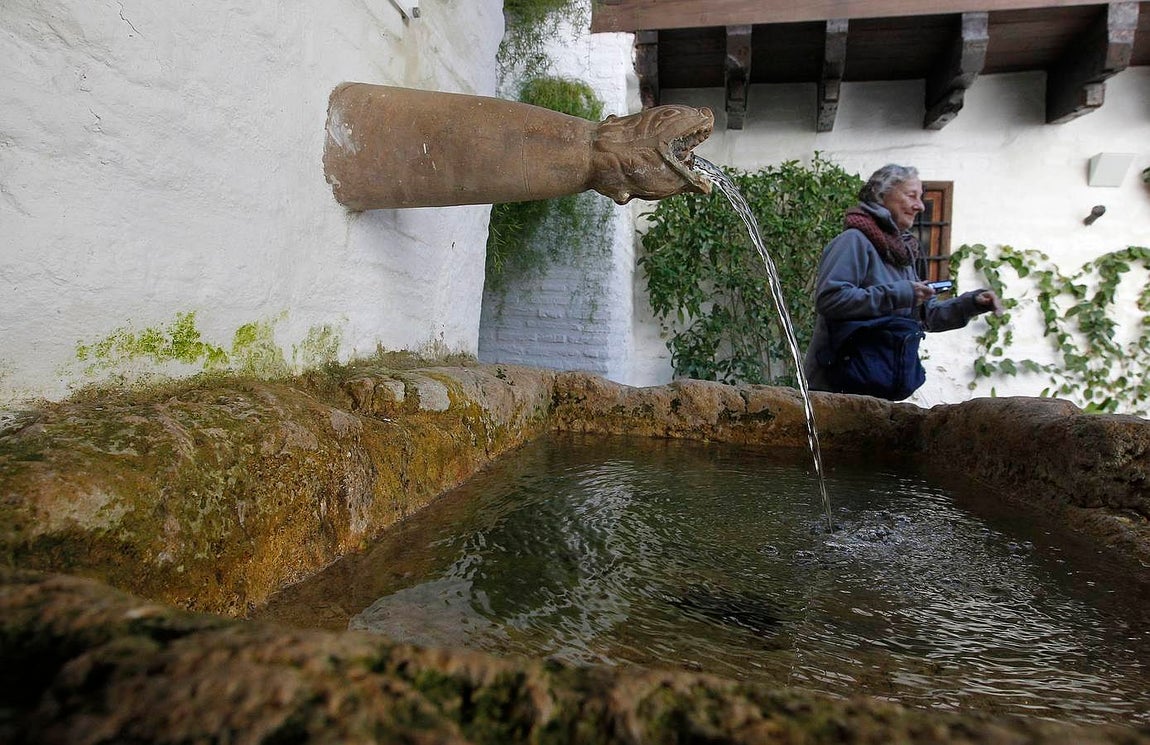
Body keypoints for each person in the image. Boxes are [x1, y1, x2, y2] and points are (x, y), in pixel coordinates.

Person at [802, 164, 1003, 400]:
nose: (920, 205)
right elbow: (830, 299)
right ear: (881, 193)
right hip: (837, 389)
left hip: (879, 388)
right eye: (911, 195)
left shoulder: (904, 252)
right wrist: (901, 293)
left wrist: (972, 304)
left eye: (921, 197)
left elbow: (926, 317)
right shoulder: (853, 241)